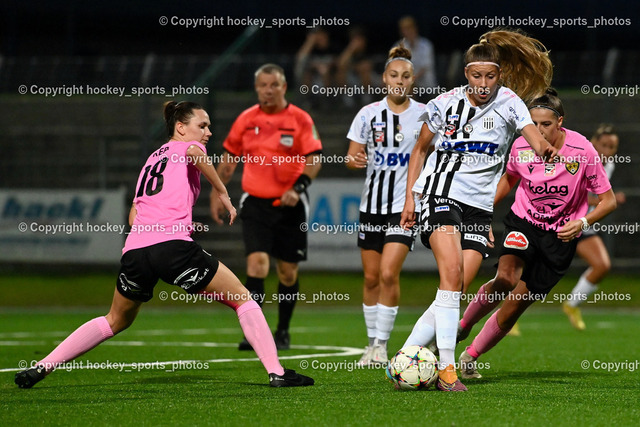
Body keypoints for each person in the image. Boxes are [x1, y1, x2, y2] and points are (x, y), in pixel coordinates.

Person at [14, 101, 314, 389]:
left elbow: (135, 214)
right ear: (181, 128)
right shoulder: (189, 147)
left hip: (136, 252)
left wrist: (172, 223)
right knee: (243, 298)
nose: (208, 132)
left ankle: (43, 365)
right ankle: (277, 372)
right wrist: (222, 193)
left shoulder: (152, 160)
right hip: (173, 249)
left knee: (115, 319)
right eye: (203, 125)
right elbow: (197, 153)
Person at [398, 29, 558, 392]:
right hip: (440, 193)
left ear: (499, 75)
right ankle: (447, 370)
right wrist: (410, 198)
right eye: (476, 75)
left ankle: (407, 356)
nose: (483, 83)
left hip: (478, 208)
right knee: (451, 274)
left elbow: (532, 134)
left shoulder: (511, 102)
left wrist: (544, 148)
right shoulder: (444, 104)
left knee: (456, 285)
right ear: (466, 74)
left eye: (490, 75)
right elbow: (420, 151)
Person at [457, 89, 617, 380]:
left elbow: (608, 200)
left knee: (516, 304)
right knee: (505, 278)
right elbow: (509, 179)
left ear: (560, 123)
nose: (538, 130)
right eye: (533, 123)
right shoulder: (521, 145)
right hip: (524, 222)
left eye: (545, 124)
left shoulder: (582, 151)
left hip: (561, 237)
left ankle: (471, 356)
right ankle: (462, 326)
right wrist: (482, 213)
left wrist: (582, 223)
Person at [210, 64, 323, 351]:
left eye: (274, 85)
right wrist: (217, 193)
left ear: (284, 87)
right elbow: (229, 158)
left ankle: (283, 331)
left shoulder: (299, 119)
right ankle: (257, 334)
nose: (268, 90)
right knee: (256, 263)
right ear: (256, 88)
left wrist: (297, 189)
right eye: (262, 85)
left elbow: (314, 159)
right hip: (256, 204)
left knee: (287, 272)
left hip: (291, 206)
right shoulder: (246, 119)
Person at [345, 45, 426, 366]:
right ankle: (371, 345)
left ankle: (381, 344)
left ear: (412, 81)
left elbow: (430, 153)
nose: (399, 81)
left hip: (404, 207)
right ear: (384, 78)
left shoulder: (423, 114)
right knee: (371, 278)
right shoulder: (368, 114)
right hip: (371, 207)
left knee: (389, 274)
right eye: (394, 75)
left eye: (406, 76)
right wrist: (356, 159)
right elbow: (352, 156)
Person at [563, 124, 625, 330]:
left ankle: (571, 305)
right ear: (594, 143)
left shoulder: (610, 165)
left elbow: (599, 197)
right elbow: (571, 193)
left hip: (583, 224)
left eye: (612, 147)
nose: (607, 151)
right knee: (531, 267)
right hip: (561, 220)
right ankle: (508, 315)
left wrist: (605, 201)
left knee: (602, 266)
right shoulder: (580, 158)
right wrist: (608, 200)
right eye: (604, 145)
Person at [394, 16, 437, 99]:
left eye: (410, 28)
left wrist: (411, 79)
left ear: (415, 28)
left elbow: (424, 68)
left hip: (426, 87)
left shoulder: (426, 45)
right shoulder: (398, 46)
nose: (408, 31)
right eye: (405, 29)